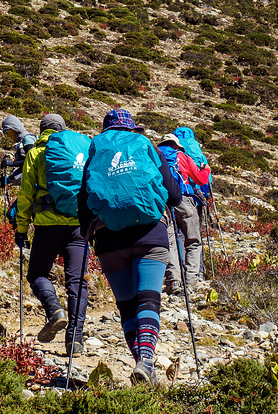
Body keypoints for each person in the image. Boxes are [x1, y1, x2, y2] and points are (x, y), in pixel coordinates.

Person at [78, 109, 182, 385]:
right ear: (132, 129)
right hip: (150, 233)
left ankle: (141, 363)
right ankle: (146, 361)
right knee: (148, 299)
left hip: (109, 239)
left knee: (126, 306)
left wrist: (87, 235)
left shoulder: (96, 149)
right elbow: (173, 193)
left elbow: (84, 195)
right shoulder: (147, 146)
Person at [14, 113, 89, 354]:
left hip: (47, 225)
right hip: (79, 224)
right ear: (63, 129)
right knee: (76, 282)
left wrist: (21, 229)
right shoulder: (80, 150)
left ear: (42, 130)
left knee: (37, 274)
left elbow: (26, 194)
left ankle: (54, 310)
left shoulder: (36, 153)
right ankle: (75, 339)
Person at [157, 133, 212, 294]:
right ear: (176, 146)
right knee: (193, 240)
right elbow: (201, 179)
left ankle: (173, 280)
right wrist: (206, 170)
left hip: (163, 203)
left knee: (171, 243)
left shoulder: (154, 155)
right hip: (184, 199)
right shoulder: (183, 156)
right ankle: (192, 279)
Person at [0, 115, 37, 188]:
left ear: (14, 128)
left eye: (7, 131)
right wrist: (8, 180)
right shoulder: (21, 140)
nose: (7, 134)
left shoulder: (27, 139)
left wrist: (12, 163)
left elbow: (32, 160)